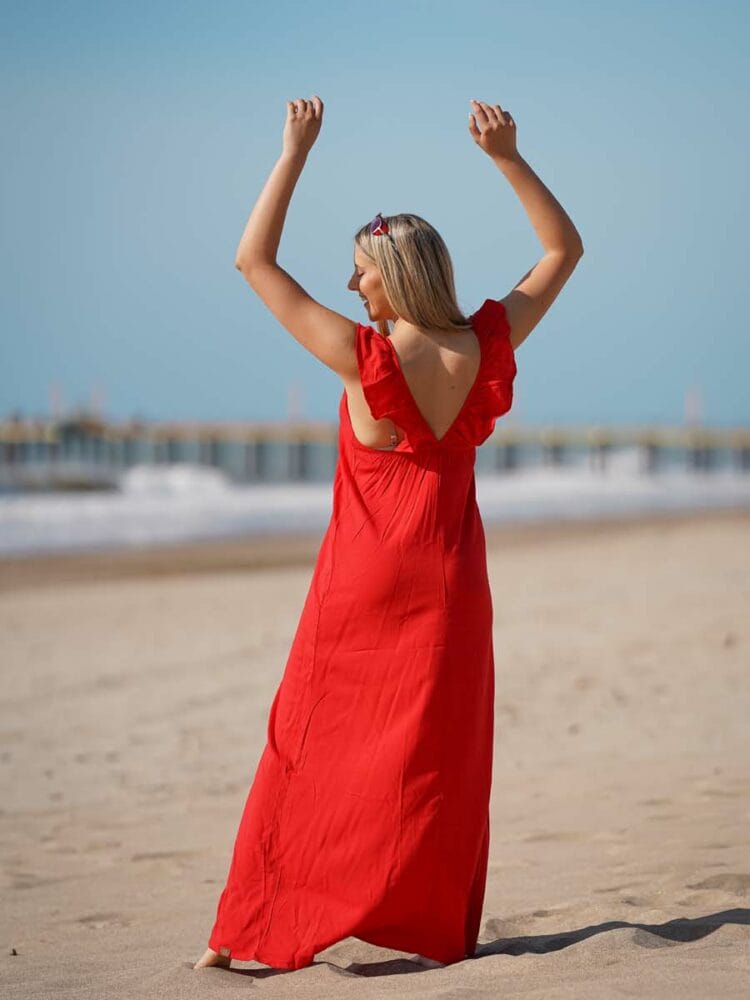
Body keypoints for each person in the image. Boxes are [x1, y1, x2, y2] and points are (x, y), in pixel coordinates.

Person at [194, 95, 583, 972]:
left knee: (306, 746)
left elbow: (252, 260)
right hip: (450, 588)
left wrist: (292, 151)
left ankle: (245, 934)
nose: (350, 287)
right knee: (433, 762)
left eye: (361, 272)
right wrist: (510, 158)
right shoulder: (484, 343)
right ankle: (433, 929)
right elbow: (563, 250)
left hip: (360, 587)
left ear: (394, 277)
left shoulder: (362, 358)